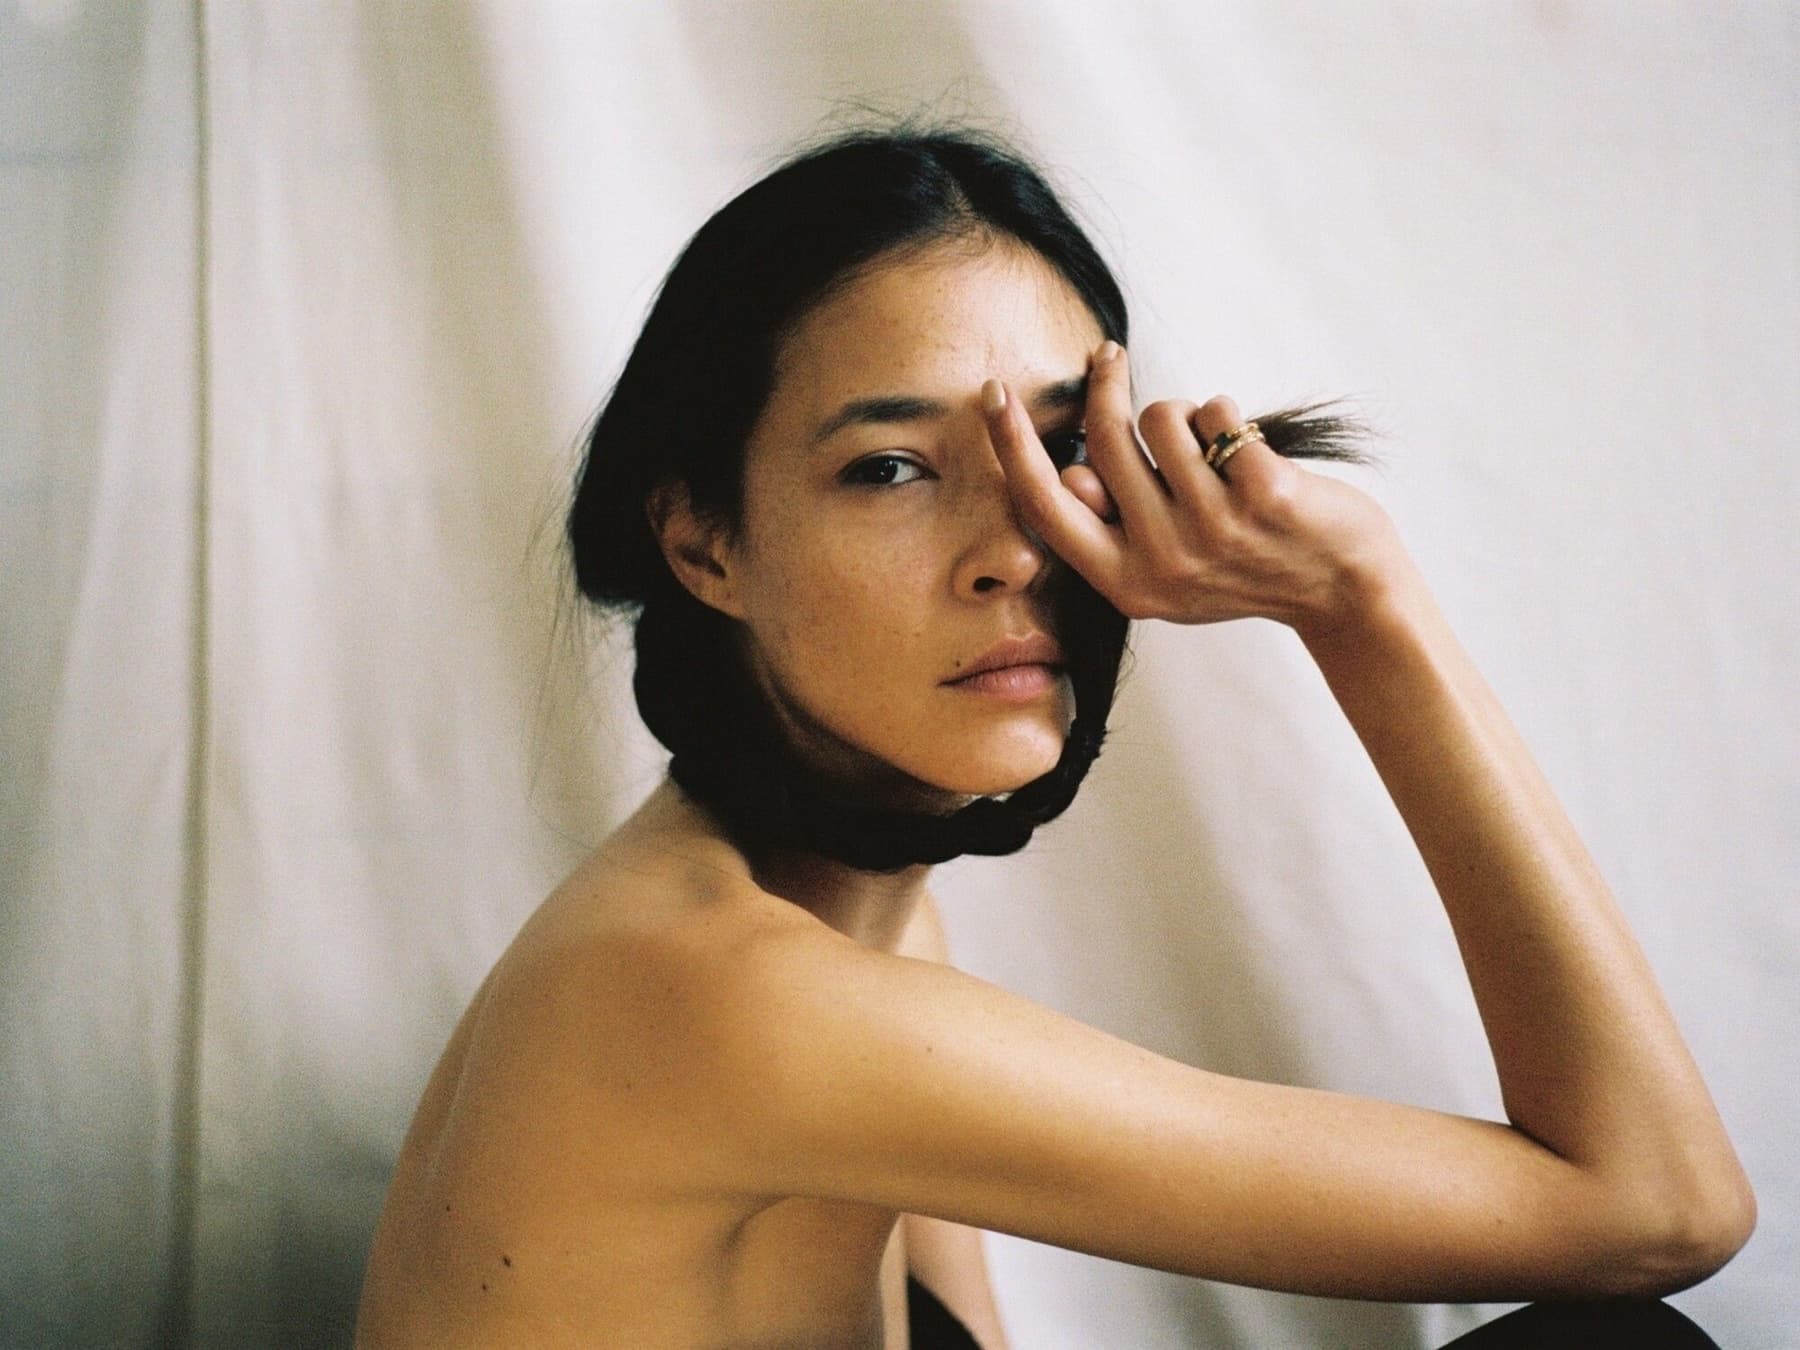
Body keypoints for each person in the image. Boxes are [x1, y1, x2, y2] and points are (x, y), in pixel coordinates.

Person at [355, 127, 1754, 1349]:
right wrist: (1360, 604)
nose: (1016, 552)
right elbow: (1660, 1205)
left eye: (1061, 450)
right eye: (890, 468)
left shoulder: (859, 923)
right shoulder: (726, 995)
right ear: (703, 543)